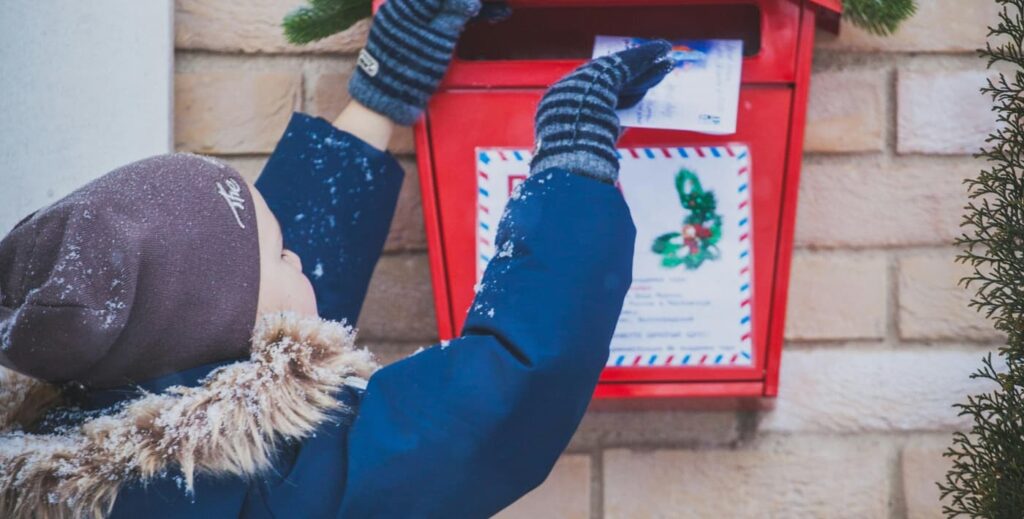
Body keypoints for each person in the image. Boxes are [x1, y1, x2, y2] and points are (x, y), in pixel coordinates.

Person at [0, 0, 672, 515]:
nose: (296, 251)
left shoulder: (104, 436)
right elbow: (496, 400)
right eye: (279, 248)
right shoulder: (265, 482)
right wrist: (574, 156)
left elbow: (258, 295)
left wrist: (385, 86)